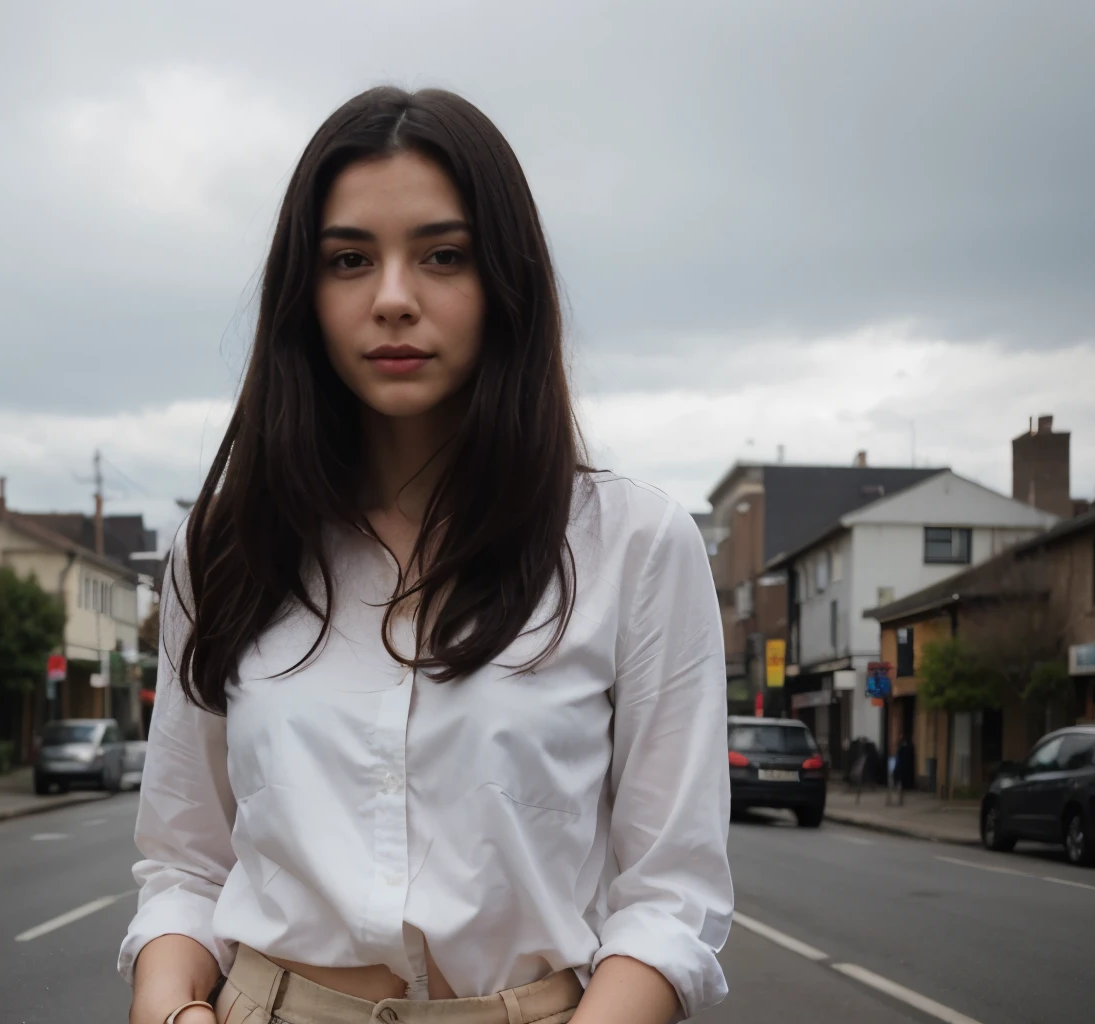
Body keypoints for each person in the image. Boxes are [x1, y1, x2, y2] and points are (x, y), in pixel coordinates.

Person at [121, 86, 732, 1024]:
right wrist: (169, 1010)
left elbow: (671, 897)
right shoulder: (226, 548)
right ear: (304, 291)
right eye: (349, 260)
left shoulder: (634, 546)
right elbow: (185, 860)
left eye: (444, 256)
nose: (394, 298)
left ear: (506, 283)